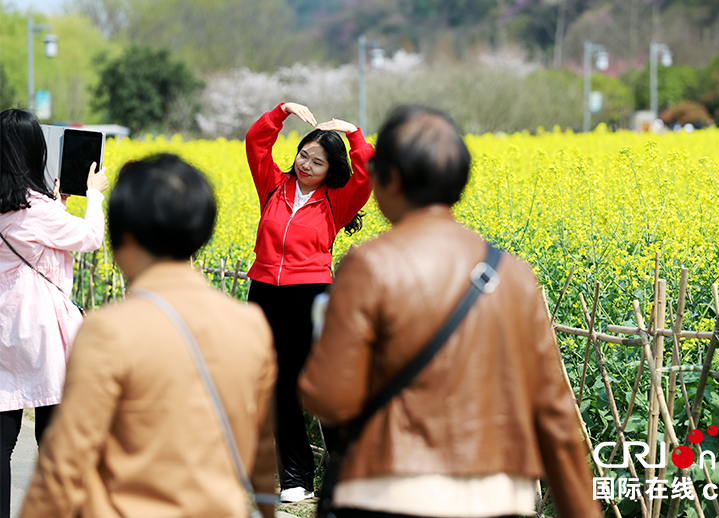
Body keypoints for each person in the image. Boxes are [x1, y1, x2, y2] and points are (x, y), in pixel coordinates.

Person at [298, 106, 602, 518]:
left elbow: (329, 398)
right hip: (496, 496)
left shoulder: (370, 265)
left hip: (391, 492)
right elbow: (554, 412)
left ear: (390, 179)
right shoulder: (512, 274)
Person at [19, 154, 278, 518]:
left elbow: (64, 465)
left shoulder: (109, 330)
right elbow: (261, 448)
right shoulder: (250, 324)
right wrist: (265, 506)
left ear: (123, 237)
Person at [245, 102, 374, 502]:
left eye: (317, 162)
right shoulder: (272, 185)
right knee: (278, 383)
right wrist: (281, 111)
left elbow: (369, 172)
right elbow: (255, 142)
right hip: (264, 289)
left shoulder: (336, 201)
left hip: (311, 291)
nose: (305, 165)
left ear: (330, 171)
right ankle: (296, 478)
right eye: (303, 155)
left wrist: (354, 134)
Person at [0, 109, 108, 518]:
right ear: (33, 152)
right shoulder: (36, 209)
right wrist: (93, 192)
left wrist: (56, 205)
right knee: (54, 430)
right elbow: (90, 237)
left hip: (2, 325)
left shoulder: (21, 206)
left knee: (3, 431)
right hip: (38, 326)